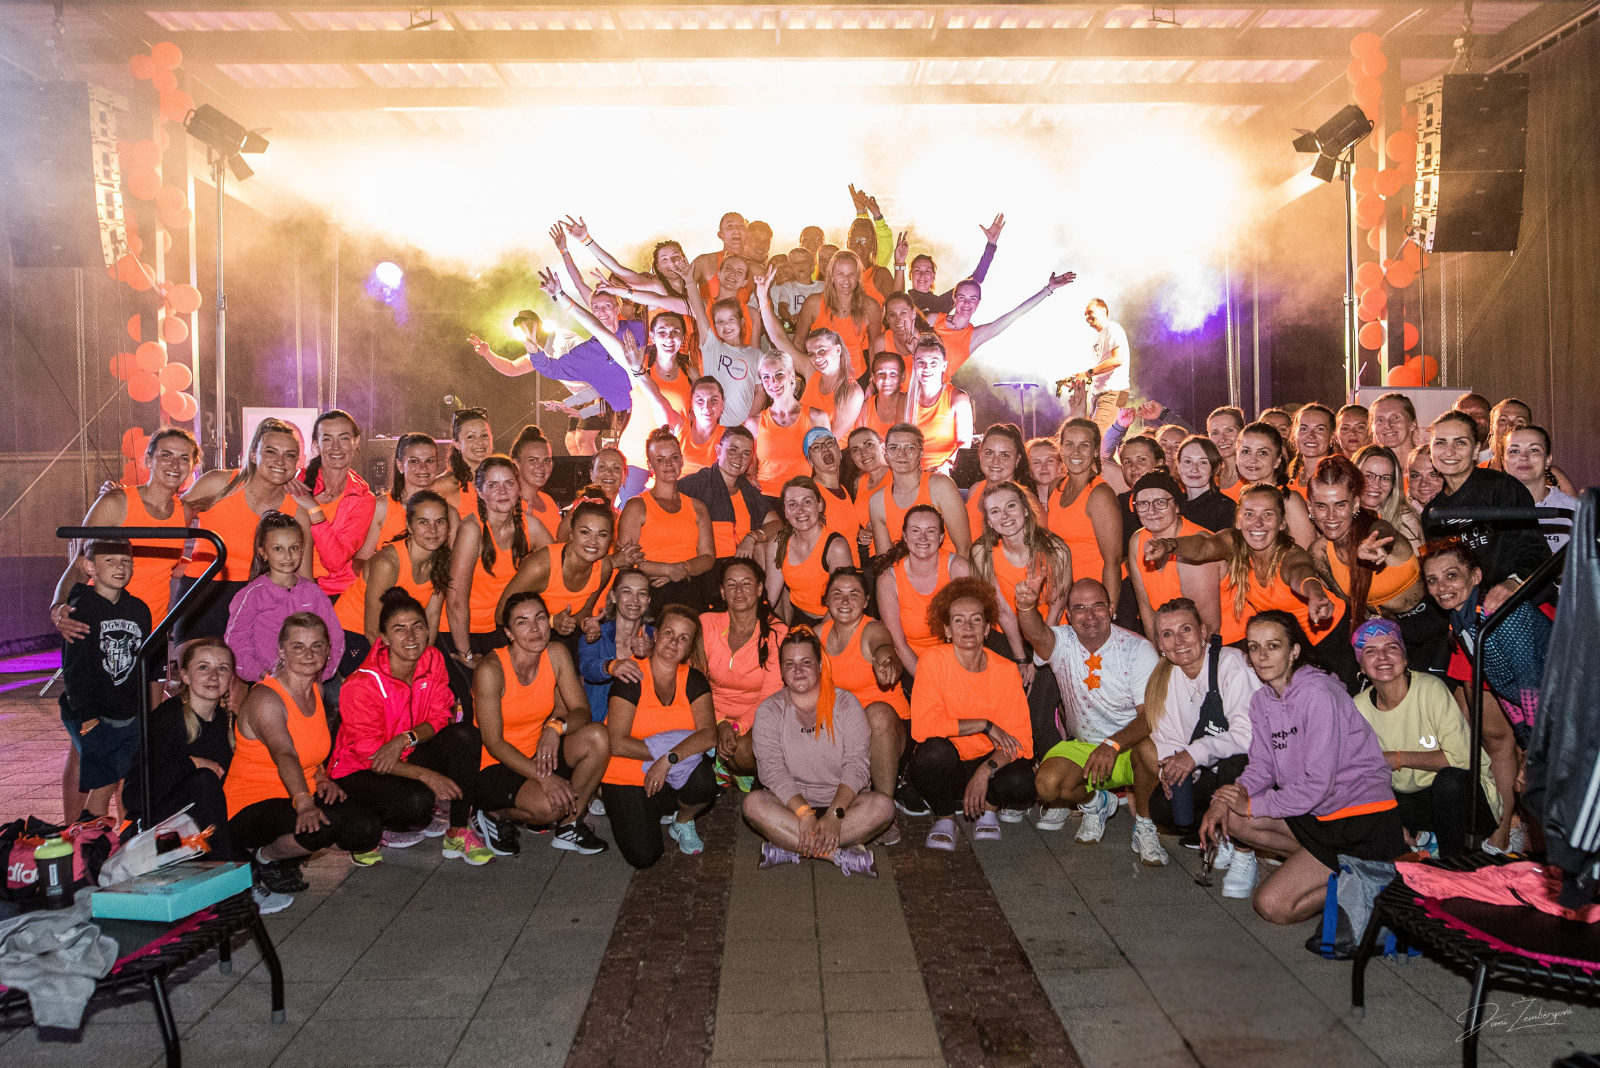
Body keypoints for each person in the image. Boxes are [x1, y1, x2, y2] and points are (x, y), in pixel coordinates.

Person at [1199, 611, 1404, 922]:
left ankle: (1378, 880)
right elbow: (1263, 766)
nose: (1262, 656)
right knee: (1234, 818)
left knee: (1271, 905)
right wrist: (1223, 800)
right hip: (1319, 815)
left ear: (1294, 650)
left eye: (1273, 646)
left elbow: (1318, 784)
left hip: (1360, 820)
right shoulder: (1263, 700)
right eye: (1254, 647)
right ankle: (1337, 870)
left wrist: (1253, 804)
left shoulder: (1319, 694)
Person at [226, 614, 383, 906]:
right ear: (281, 651)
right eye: (298, 646)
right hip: (251, 802)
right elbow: (285, 753)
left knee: (366, 829)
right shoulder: (266, 699)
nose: (308, 654)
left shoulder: (316, 689)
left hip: (301, 790)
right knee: (321, 827)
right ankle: (263, 858)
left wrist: (321, 777)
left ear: (328, 651)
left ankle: (287, 856)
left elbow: (310, 748)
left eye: (316, 646)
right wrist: (305, 803)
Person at [331, 589, 492, 859]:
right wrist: (426, 775)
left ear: (428, 630)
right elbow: (370, 755)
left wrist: (405, 739)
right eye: (399, 629)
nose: (410, 636)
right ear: (383, 638)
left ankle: (458, 832)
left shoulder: (432, 659)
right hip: (360, 769)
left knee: (465, 735)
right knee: (417, 803)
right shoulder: (361, 684)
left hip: (404, 752)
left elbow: (440, 716)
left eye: (417, 626)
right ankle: (369, 822)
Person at [1018, 577, 1165, 863]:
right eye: (1080, 608)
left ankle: (1145, 826)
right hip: (1085, 746)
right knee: (1047, 785)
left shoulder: (1137, 649)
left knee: (1152, 749)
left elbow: (1149, 718)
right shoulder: (1063, 641)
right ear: (1068, 615)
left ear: (1111, 609)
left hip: (1130, 747)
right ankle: (1097, 803)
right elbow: (1036, 634)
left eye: (1097, 606)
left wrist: (1112, 745)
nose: (1090, 615)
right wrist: (1026, 606)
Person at [1142, 484, 1350, 684]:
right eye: (1249, 514)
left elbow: (1301, 572)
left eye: (1267, 515)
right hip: (1293, 645)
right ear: (1239, 520)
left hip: (1333, 634)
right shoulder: (1235, 543)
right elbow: (1204, 546)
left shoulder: (1290, 554)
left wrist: (1315, 594)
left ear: (1281, 523)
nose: (1257, 523)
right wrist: (1168, 544)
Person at [1420, 538, 1549, 840]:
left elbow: (1532, 687)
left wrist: (1532, 751)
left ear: (1475, 576)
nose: (1442, 587)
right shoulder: (1461, 620)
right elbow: (1509, 693)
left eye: (1451, 575)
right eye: (1432, 580)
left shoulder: (1502, 615)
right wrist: (1526, 740)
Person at [472, 592, 612, 857]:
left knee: (598, 736)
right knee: (550, 808)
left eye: (539, 618)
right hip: (496, 764)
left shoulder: (555, 653)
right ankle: (491, 813)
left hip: (539, 750)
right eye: (522, 622)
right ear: (509, 633)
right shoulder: (491, 669)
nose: (534, 628)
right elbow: (493, 743)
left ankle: (569, 826)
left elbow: (582, 711)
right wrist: (544, 778)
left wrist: (554, 728)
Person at [743, 629, 893, 874]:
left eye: (806, 662)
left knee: (884, 807)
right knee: (753, 804)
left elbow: (857, 766)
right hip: (791, 807)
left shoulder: (845, 704)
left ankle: (788, 844)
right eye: (789, 664)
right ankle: (837, 855)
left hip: (844, 806)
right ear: (781, 671)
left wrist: (834, 815)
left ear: (820, 665)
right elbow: (772, 771)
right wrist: (804, 813)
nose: (798, 670)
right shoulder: (770, 710)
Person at [1349, 618, 1498, 858]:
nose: (1383, 657)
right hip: (1411, 801)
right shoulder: (1358, 707)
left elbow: (1461, 760)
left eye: (1391, 647)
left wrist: (1397, 758)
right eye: (1371, 651)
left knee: (1449, 782)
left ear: (1405, 658)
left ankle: (1451, 863)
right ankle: (1421, 840)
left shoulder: (1430, 689)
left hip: (1466, 797)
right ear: (1362, 667)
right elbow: (1362, 774)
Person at [908, 577, 1035, 849]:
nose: (968, 627)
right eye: (959, 620)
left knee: (1023, 780)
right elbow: (922, 728)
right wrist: (984, 724)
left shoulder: (1006, 670)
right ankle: (945, 817)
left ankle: (989, 809)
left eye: (976, 619)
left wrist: (985, 771)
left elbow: (1021, 741)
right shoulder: (932, 661)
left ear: (987, 628)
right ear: (947, 629)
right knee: (932, 753)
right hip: (948, 764)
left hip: (988, 763)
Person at [1144, 599, 1259, 894]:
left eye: (1186, 629)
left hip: (1255, 769)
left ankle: (1244, 851)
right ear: (1159, 643)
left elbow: (1248, 737)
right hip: (1209, 771)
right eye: (1167, 634)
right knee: (1163, 808)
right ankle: (1219, 833)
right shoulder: (1165, 678)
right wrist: (1172, 769)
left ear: (1203, 632)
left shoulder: (1230, 663)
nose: (1178, 641)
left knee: (1235, 762)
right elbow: (1168, 739)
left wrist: (1193, 755)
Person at [53, 427, 197, 646]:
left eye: (184, 458)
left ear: (192, 467)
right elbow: (81, 564)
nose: (175, 465)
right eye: (166, 455)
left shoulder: (184, 511)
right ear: (148, 460)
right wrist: (58, 605)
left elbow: (167, 565)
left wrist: (224, 568)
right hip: (104, 627)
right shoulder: (116, 503)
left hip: (152, 630)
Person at [601, 605, 721, 869]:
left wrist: (668, 758)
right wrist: (665, 754)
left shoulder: (693, 680)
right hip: (626, 774)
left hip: (670, 772)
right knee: (645, 856)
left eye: (683, 638)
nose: (674, 642)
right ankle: (636, 811)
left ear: (689, 649)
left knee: (704, 782)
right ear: (655, 635)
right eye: (668, 633)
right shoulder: (632, 676)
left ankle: (681, 821)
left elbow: (709, 735)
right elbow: (618, 743)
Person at [181, 418, 314, 640]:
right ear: (253, 455)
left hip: (260, 597)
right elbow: (170, 521)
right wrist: (174, 563)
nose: (280, 461)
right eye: (271, 451)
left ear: (298, 462)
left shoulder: (297, 509)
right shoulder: (219, 484)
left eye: (290, 455)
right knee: (204, 660)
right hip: (204, 591)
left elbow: (304, 576)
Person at [1419, 410, 1550, 616]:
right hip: (1475, 615)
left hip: (1524, 605)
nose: (1449, 451)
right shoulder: (1432, 512)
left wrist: (1512, 583)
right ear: (1431, 451)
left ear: (1475, 450)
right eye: (1441, 443)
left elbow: (1537, 552)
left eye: (1460, 442)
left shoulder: (1502, 488)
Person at [125, 639, 239, 865]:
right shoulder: (166, 719)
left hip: (203, 829)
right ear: (185, 675)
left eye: (222, 668)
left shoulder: (228, 722)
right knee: (204, 780)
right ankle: (228, 869)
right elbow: (132, 797)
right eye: (203, 667)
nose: (213, 676)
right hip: (156, 834)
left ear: (231, 678)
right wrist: (191, 764)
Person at [58, 539, 151, 820]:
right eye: (110, 560)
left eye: (126, 561)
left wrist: (142, 708)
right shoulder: (81, 610)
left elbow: (143, 663)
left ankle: (116, 838)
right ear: (90, 567)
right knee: (103, 783)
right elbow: (74, 670)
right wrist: (87, 718)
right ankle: (89, 838)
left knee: (124, 780)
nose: (119, 567)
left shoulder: (139, 610)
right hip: (92, 713)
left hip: (126, 712)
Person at [817, 569, 908, 843]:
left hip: (887, 733)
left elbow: (884, 648)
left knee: (876, 713)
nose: (845, 601)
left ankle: (885, 811)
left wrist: (887, 663)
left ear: (866, 600)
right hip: (844, 732)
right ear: (827, 600)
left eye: (854, 594)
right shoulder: (817, 635)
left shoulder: (872, 629)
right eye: (837, 594)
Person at [333, 491, 452, 677]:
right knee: (388, 686)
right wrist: (400, 671)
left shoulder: (442, 561)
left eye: (440, 522)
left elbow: (432, 616)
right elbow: (372, 630)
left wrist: (422, 662)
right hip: (352, 632)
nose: (433, 530)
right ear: (409, 525)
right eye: (423, 522)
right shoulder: (388, 563)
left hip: (396, 634)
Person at [225, 511, 343, 684]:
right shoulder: (252, 595)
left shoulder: (312, 593)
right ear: (263, 553)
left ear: (302, 550)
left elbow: (334, 636)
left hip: (310, 680)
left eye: (293, 548)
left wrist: (321, 675)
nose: (287, 556)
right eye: (278, 549)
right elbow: (236, 642)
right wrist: (263, 675)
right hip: (269, 681)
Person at [1305, 454, 1424, 626]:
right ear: (1310, 507)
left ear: (1355, 505)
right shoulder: (1318, 552)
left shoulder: (1374, 529)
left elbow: (1384, 530)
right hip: (1382, 629)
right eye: (1321, 506)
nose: (1331, 516)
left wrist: (1376, 543)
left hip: (1427, 621)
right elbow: (1352, 606)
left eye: (1340, 505)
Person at [971, 479, 1073, 674]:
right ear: (989, 522)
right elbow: (1003, 610)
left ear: (1025, 509)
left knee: (1042, 687)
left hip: (1051, 632)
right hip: (1011, 636)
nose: (1005, 516)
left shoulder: (1057, 550)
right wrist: (1021, 660)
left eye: (1011, 506)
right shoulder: (982, 552)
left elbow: (1056, 610)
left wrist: (1038, 660)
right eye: (995, 511)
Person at [445, 455, 531, 685]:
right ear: (480, 492)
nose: (502, 491)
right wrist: (467, 655)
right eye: (493, 485)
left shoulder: (527, 525)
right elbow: (455, 602)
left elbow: (560, 560)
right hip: (461, 633)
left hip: (498, 629)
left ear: (519, 488)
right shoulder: (472, 530)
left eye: (509, 483)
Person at [700, 558, 787, 783]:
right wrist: (720, 723)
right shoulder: (707, 624)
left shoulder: (777, 633)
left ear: (759, 589)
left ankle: (730, 769)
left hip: (754, 716)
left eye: (746, 583)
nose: (739, 590)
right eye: (731, 584)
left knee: (744, 752)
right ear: (722, 592)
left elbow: (769, 696)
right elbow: (696, 683)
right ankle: (718, 766)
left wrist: (736, 727)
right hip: (708, 714)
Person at [498, 498, 619, 656]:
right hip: (521, 639)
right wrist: (551, 621)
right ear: (571, 533)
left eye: (602, 535)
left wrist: (586, 623)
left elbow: (584, 609)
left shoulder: (604, 567)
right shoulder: (542, 566)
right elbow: (501, 614)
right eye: (585, 532)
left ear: (609, 540)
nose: (593, 542)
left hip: (563, 639)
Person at [618, 429, 716, 613]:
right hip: (649, 588)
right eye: (660, 459)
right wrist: (667, 570)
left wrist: (681, 570)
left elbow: (708, 557)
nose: (669, 464)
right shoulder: (637, 506)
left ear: (682, 460)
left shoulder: (697, 507)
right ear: (650, 465)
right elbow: (625, 561)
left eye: (674, 457)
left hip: (688, 583)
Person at [876, 504, 972, 678]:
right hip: (911, 664)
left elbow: (970, 631)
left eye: (930, 531)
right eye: (915, 531)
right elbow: (899, 645)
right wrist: (927, 682)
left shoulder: (958, 568)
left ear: (941, 537)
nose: (923, 538)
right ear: (905, 536)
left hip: (957, 660)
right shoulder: (888, 579)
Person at [925, 270, 1075, 381]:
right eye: (962, 297)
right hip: (914, 384)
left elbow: (1016, 313)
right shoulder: (933, 320)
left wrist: (1048, 289)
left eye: (972, 299)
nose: (967, 303)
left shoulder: (974, 336)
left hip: (939, 394)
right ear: (955, 299)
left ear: (978, 303)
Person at [1127, 471, 1224, 637]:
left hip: (1218, 644)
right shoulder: (1137, 541)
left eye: (1160, 502)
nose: (1151, 511)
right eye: (1143, 504)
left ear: (1177, 506)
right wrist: (1156, 650)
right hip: (1175, 641)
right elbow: (1147, 611)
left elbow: (1209, 626)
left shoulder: (1194, 545)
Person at [298, 410, 376, 601]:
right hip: (294, 584)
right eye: (327, 439)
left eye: (344, 438)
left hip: (338, 592)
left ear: (356, 442)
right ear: (316, 445)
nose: (336, 447)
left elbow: (335, 562)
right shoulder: (297, 483)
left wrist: (315, 511)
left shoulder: (363, 498)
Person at [868, 424, 972, 556]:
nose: (902, 454)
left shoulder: (940, 486)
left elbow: (964, 547)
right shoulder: (877, 501)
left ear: (921, 453)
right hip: (905, 568)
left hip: (949, 566)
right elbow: (884, 558)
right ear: (886, 454)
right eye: (894, 448)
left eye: (910, 448)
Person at [679, 426, 779, 560]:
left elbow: (776, 523)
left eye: (746, 453)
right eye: (733, 450)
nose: (739, 458)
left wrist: (753, 537)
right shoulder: (695, 485)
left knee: (765, 546)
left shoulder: (747, 489)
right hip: (709, 564)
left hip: (743, 563)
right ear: (718, 450)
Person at [356, 433, 457, 564]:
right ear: (400, 465)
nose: (423, 467)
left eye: (430, 461)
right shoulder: (381, 508)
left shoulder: (449, 512)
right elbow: (360, 562)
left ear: (437, 465)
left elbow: (455, 564)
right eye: (414, 461)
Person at [766, 476, 854, 627]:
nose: (800, 510)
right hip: (800, 619)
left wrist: (814, 636)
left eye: (807, 502)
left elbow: (841, 604)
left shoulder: (836, 547)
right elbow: (769, 598)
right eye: (792, 504)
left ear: (819, 505)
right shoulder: (778, 544)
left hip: (838, 620)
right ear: (785, 512)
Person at [683, 263, 763, 425]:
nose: (726, 325)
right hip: (714, 426)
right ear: (714, 326)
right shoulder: (711, 346)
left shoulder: (755, 354)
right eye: (720, 322)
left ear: (741, 322)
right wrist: (690, 282)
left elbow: (760, 391)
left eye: (731, 320)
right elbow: (699, 310)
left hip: (743, 428)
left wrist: (747, 424)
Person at [578, 567, 655, 726]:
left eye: (642, 594)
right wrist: (611, 666)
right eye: (627, 592)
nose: (635, 600)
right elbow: (587, 667)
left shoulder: (656, 637)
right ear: (613, 596)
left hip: (640, 724)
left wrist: (654, 653)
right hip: (598, 725)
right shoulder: (596, 634)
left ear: (648, 600)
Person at [792, 250, 882, 379]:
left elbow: (875, 346)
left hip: (857, 378)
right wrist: (799, 377)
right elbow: (798, 342)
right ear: (832, 276)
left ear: (858, 276)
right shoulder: (813, 304)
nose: (846, 280)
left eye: (851, 274)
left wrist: (874, 380)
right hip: (820, 377)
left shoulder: (871, 307)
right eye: (840, 274)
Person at [893, 214, 1002, 315]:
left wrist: (991, 244)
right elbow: (895, 300)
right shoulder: (903, 301)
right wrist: (899, 262)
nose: (922, 275)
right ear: (910, 275)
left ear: (933, 276)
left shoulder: (939, 303)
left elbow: (975, 278)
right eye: (917, 270)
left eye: (927, 271)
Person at [748, 351, 824, 495]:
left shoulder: (816, 418)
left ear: (791, 375)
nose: (773, 382)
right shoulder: (754, 423)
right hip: (765, 498)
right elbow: (749, 472)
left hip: (803, 498)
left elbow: (827, 468)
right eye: (766, 377)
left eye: (779, 374)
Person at [1232, 421, 1317, 547]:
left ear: (1277, 460)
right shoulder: (1241, 496)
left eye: (1263, 453)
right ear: (1236, 456)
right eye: (1245, 451)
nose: (1253, 459)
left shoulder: (1289, 500)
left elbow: (1308, 552)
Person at [1056, 299, 1129, 435]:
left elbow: (1117, 360)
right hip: (1100, 395)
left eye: (1090, 312)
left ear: (1103, 311)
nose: (1087, 317)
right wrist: (1079, 379)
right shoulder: (1096, 337)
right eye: (1085, 314)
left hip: (1114, 392)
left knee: (1096, 438)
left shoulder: (1112, 328)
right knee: (1099, 440)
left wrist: (1087, 373)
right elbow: (1100, 369)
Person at [1503, 425, 1578, 554]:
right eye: (1514, 451)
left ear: (1548, 460)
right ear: (1504, 461)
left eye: (1534, 450)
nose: (1524, 457)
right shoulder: (1489, 509)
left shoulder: (1573, 509)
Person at [906, 335, 974, 474]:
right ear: (914, 364)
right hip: (911, 473)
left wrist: (945, 466)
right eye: (921, 362)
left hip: (945, 473)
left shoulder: (958, 398)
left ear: (944, 366)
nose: (926, 368)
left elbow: (964, 443)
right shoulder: (906, 399)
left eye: (933, 362)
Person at [966, 424, 1038, 541]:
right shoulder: (976, 489)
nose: (995, 461)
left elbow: (1040, 547)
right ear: (979, 454)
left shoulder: (1027, 500)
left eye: (1005, 455)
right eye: (989, 453)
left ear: (1017, 460)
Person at [1352, 443, 1424, 551]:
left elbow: (1418, 561)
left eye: (1385, 478)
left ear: (1393, 484)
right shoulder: (1342, 513)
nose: (1376, 485)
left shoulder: (1404, 519)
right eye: (1368, 476)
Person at [431, 407, 494, 519]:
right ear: (457, 443)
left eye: (484, 435)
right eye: (471, 437)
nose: (480, 442)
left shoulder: (504, 480)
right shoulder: (444, 486)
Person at [846, 426, 893, 563]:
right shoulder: (859, 482)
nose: (863, 453)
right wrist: (860, 534)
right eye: (855, 450)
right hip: (873, 558)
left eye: (868, 444)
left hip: (899, 553)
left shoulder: (897, 476)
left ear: (882, 446)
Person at [512, 427, 561, 548]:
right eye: (533, 460)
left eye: (547, 460)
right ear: (517, 463)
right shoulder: (509, 505)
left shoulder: (548, 501)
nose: (541, 467)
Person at [1175, 435, 1236, 533]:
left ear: (1215, 469)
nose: (1194, 469)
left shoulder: (1227, 509)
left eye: (1203, 462)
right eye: (1188, 461)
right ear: (1178, 466)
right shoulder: (1173, 505)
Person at [857, 350, 911, 441]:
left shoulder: (910, 404)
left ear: (902, 377)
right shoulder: (866, 408)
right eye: (880, 373)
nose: (886, 379)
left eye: (893, 373)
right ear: (873, 378)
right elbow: (858, 442)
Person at [1289, 404, 1335, 491]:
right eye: (1304, 429)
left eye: (1320, 429)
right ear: (1294, 435)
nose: (1311, 435)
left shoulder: (1340, 480)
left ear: (1332, 437)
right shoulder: (1287, 482)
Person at [1206, 407, 1245, 498]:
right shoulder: (1209, 477)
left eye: (1229, 430)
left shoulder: (1253, 474)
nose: (1222, 439)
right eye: (1215, 433)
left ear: (1242, 432)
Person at [1453, 392, 1494, 463]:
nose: (1471, 419)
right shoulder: (1445, 459)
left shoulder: (1505, 460)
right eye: (1463, 414)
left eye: (1478, 413)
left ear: (1492, 419)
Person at [1406, 443, 1444, 514]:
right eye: (1416, 476)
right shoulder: (1397, 515)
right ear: (1408, 480)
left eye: (1433, 475)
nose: (1424, 483)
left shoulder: (1460, 511)